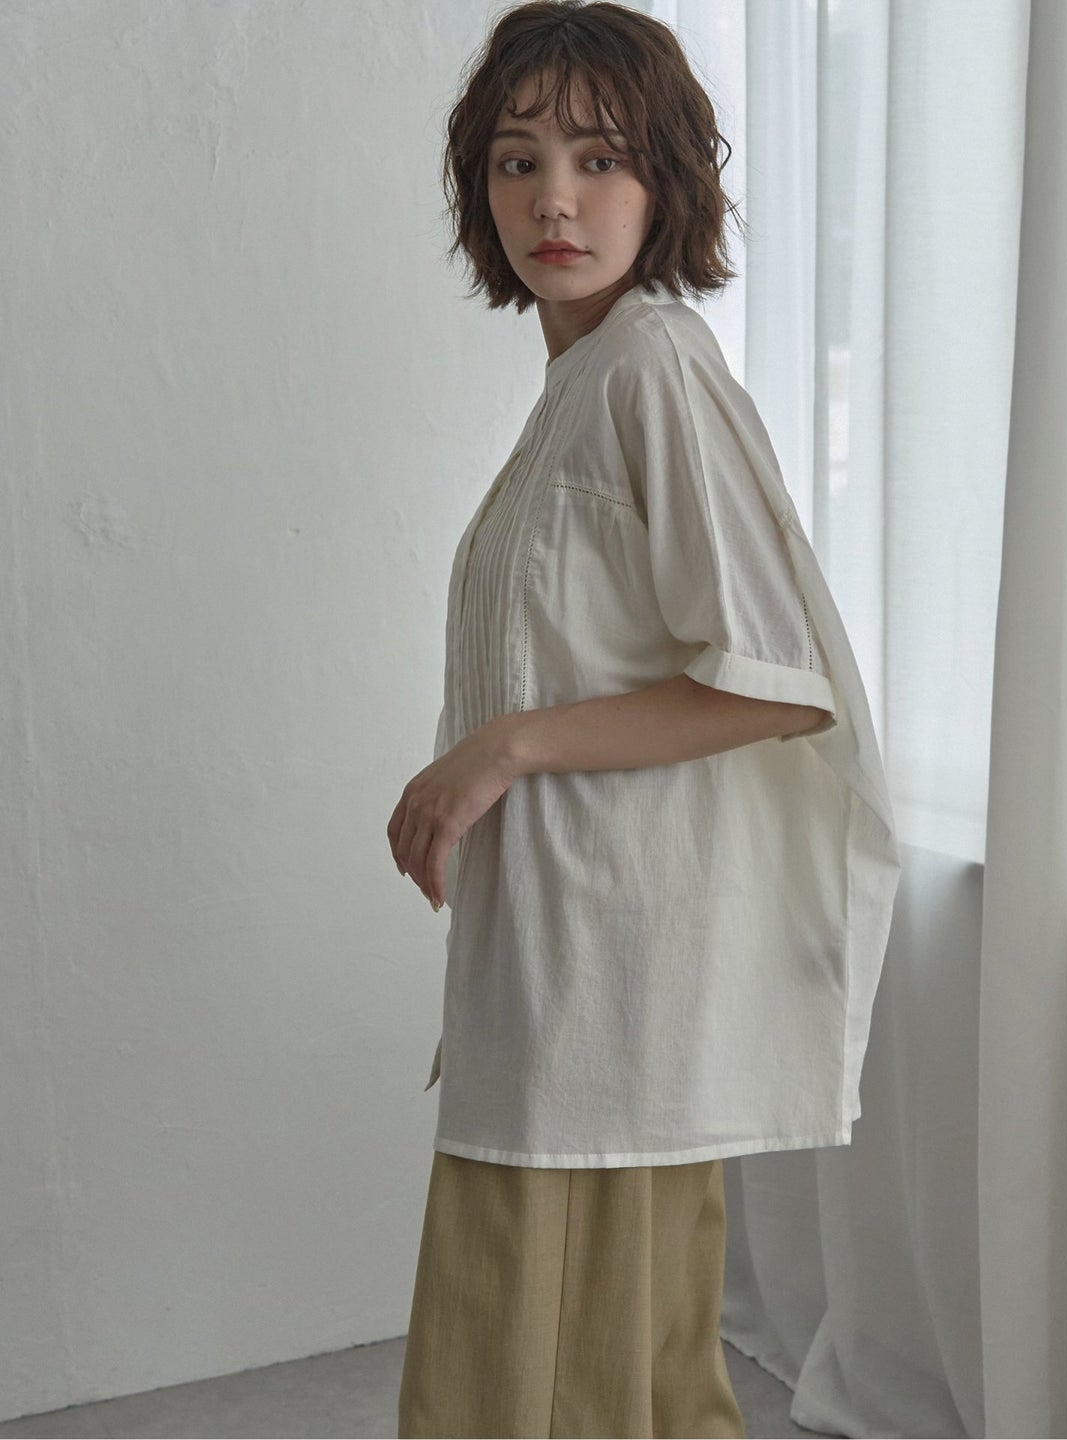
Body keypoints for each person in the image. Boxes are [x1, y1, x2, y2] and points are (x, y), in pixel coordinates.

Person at [387, 3, 902, 1435]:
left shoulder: (651, 368)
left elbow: (771, 680)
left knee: (544, 1373)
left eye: (601, 158)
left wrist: (503, 748)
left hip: (612, 964)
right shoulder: (588, 379)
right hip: (571, 959)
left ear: (666, 179)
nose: (554, 199)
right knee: (614, 1372)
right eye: (518, 161)